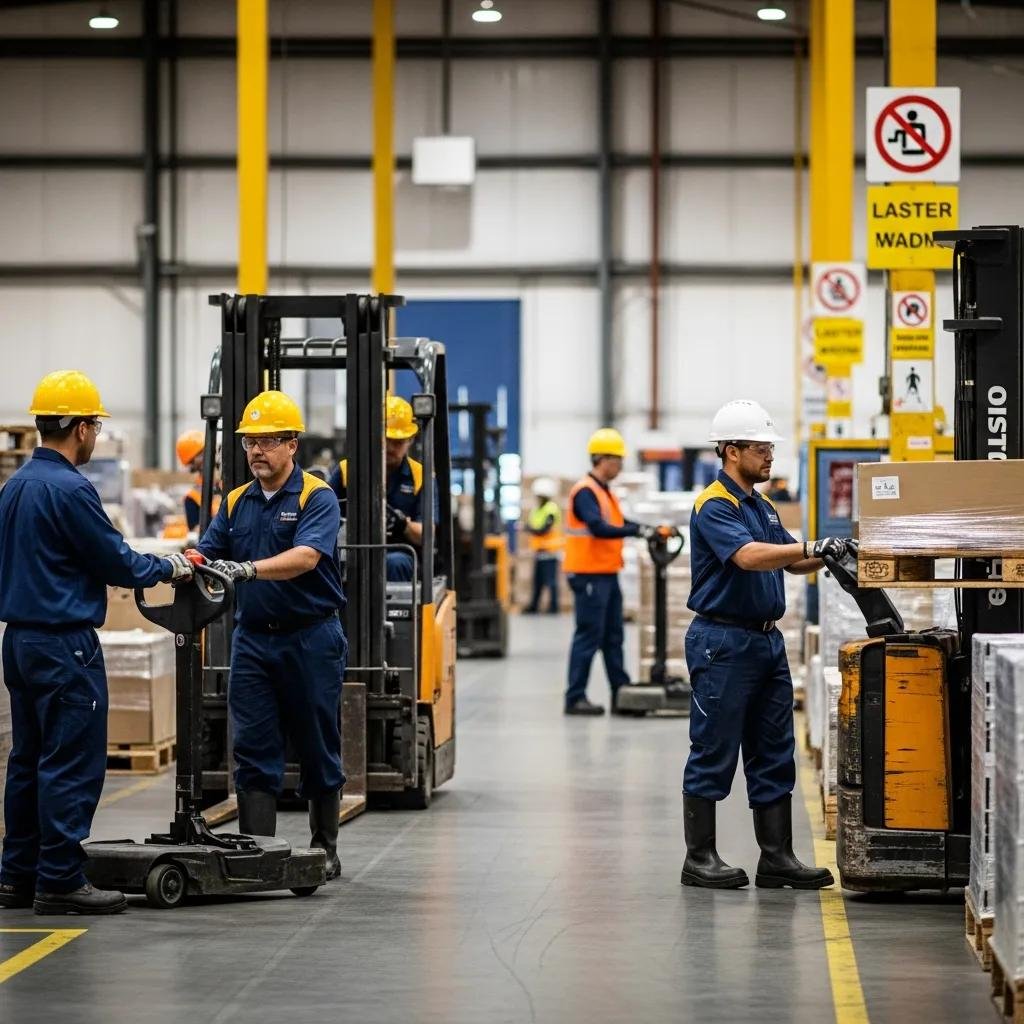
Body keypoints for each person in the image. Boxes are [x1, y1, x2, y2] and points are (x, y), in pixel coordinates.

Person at [0, 370, 194, 915]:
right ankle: (59, 879)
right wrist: (173, 566)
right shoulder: (70, 489)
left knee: (29, 758)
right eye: (95, 428)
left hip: (20, 642)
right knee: (71, 761)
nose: (96, 438)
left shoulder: (15, 486)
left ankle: (18, 874)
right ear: (81, 428)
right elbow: (117, 561)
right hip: (65, 647)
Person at [680, 399, 850, 892]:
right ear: (731, 451)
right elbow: (751, 557)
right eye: (760, 447)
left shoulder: (762, 504)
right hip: (723, 643)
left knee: (774, 749)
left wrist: (832, 549)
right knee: (714, 747)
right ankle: (700, 857)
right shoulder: (716, 504)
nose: (769, 456)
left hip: (764, 644)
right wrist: (807, 548)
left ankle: (776, 857)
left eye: (770, 447)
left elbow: (792, 561)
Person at [191, 390, 347, 879]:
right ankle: (261, 855)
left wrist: (246, 570)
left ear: (292, 445)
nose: (256, 451)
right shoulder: (236, 501)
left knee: (317, 742)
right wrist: (184, 563)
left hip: (311, 639)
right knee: (254, 748)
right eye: (249, 442)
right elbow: (208, 551)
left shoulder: (316, 496)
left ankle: (324, 848)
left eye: (267, 441)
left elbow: (306, 558)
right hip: (254, 640)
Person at [563, 428, 662, 716]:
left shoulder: (604, 491)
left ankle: (621, 694)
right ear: (602, 459)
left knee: (613, 636)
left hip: (605, 573)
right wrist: (637, 530)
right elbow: (599, 528)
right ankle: (575, 697)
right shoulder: (585, 491)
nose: (620, 466)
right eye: (617, 460)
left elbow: (618, 521)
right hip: (589, 575)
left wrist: (645, 529)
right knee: (589, 635)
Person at [329, 395, 430, 583]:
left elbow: (427, 534)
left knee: (394, 562)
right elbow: (321, 515)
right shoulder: (347, 471)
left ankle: (391, 613)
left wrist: (404, 525)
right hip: (352, 548)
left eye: (398, 442)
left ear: (410, 440)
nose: (391, 448)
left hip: (400, 552)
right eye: (387, 440)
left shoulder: (420, 477)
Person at [523, 477, 563, 615]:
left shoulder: (551, 509)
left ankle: (553, 608)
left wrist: (529, 529)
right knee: (538, 582)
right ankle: (534, 606)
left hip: (550, 551)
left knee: (551, 582)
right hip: (539, 551)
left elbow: (544, 529)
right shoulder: (537, 509)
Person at [175, 428, 221, 531]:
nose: (206, 456)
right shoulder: (192, 498)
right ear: (192, 464)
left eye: (205, 451)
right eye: (200, 454)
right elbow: (197, 532)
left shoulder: (229, 483)